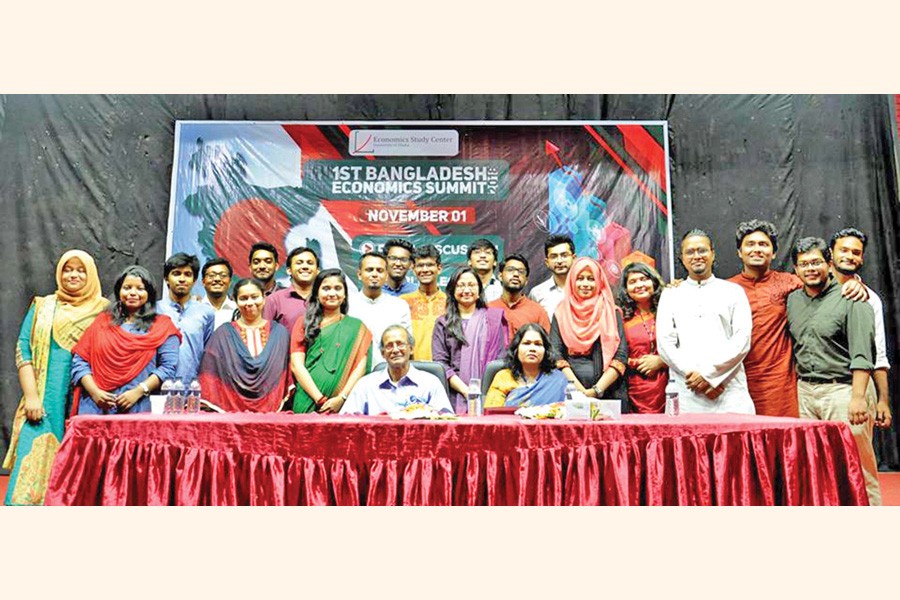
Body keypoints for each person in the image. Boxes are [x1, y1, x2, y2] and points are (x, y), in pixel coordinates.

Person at [726, 220, 867, 417]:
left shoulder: (790, 283)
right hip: (738, 384)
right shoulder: (725, 290)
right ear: (739, 252)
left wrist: (855, 283)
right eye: (750, 244)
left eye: (763, 244)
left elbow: (823, 282)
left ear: (774, 253)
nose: (757, 249)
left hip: (783, 388)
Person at [3, 250, 108, 505]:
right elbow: (23, 349)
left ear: (91, 274)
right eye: (67, 269)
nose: (73, 274)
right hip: (44, 399)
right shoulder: (43, 306)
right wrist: (31, 397)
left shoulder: (104, 310)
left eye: (80, 269)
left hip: (86, 401)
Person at [786, 237, 881, 504]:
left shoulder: (852, 297)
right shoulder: (793, 300)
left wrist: (859, 398)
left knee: (858, 466)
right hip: (805, 391)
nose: (810, 269)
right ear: (795, 270)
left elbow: (863, 353)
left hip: (845, 390)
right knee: (817, 467)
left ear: (829, 263)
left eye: (816, 262)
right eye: (803, 264)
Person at [656, 230, 754, 414]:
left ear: (712, 254)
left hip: (729, 390)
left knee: (736, 442)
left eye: (702, 250)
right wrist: (696, 377)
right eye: (690, 252)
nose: (697, 256)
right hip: (688, 390)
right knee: (687, 442)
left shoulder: (734, 292)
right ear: (682, 258)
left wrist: (711, 376)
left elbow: (742, 340)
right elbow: (665, 344)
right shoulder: (670, 295)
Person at [71, 265, 181, 415]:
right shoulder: (102, 322)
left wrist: (139, 391)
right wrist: (95, 392)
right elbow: (80, 361)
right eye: (127, 287)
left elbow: (168, 368)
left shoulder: (162, 327)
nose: (133, 293)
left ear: (149, 293)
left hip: (139, 407)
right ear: (119, 291)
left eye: (140, 288)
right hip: (96, 408)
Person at [828, 228, 892, 429]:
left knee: (856, 456)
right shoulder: (811, 290)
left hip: (853, 389)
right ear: (831, 253)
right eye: (843, 250)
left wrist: (883, 400)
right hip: (812, 391)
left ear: (862, 259)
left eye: (855, 253)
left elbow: (879, 354)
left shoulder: (869, 299)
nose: (849, 256)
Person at [198, 278, 291, 412]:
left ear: (264, 298)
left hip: (272, 412)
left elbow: (285, 373)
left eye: (255, 297)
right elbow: (209, 374)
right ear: (235, 301)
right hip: (230, 413)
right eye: (243, 298)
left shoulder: (280, 333)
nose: (250, 302)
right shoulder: (223, 334)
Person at [291, 269, 372, 413]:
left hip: (345, 404)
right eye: (326, 288)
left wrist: (342, 398)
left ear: (345, 294)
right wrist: (319, 399)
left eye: (338, 288)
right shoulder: (304, 323)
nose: (332, 293)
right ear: (317, 293)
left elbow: (361, 367)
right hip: (307, 399)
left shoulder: (358, 327)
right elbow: (297, 366)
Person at [550, 257, 628, 404]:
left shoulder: (611, 312)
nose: (585, 284)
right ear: (572, 281)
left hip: (609, 393)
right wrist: (579, 392)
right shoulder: (561, 312)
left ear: (599, 281)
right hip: (568, 393)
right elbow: (555, 355)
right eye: (580, 278)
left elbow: (621, 355)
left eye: (591, 279)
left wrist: (597, 390)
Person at [432, 266, 508, 411]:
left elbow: (500, 361)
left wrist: (484, 393)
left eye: (471, 285)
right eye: (461, 285)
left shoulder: (493, 319)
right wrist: (467, 391)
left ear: (479, 291)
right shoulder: (443, 323)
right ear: (453, 291)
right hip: (453, 397)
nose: (466, 290)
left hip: (490, 395)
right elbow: (441, 364)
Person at [340, 325, 452, 415]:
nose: (395, 350)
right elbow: (346, 421)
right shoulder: (365, 385)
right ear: (383, 353)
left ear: (411, 349)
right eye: (389, 346)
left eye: (400, 344)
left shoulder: (431, 383)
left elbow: (446, 420)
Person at [618, 261, 668, 414]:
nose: (639, 285)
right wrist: (637, 362)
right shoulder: (621, 317)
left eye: (643, 279)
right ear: (626, 290)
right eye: (632, 282)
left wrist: (662, 361)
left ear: (653, 282)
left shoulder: (669, 309)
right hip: (634, 386)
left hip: (669, 384)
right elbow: (614, 355)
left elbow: (685, 346)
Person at [156, 253, 215, 382]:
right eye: (176, 273)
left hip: (192, 389)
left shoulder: (206, 313)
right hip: (157, 388)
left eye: (187, 274)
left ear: (194, 280)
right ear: (166, 278)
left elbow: (206, 352)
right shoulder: (155, 310)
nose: (182, 279)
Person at [348, 252, 412, 368]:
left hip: (391, 374)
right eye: (369, 270)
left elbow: (406, 347)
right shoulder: (346, 305)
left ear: (386, 275)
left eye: (379, 270)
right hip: (352, 375)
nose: (374, 274)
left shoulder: (399, 306)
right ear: (359, 274)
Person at [485, 323, 568, 408]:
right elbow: (491, 414)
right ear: (516, 349)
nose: (532, 349)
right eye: (526, 343)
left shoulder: (558, 379)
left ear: (545, 350)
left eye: (538, 344)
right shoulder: (503, 377)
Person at [401, 244, 447, 361]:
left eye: (430, 265)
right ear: (413, 269)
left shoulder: (450, 302)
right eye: (420, 265)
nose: (425, 270)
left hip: (443, 370)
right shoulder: (402, 302)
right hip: (411, 369)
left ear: (439, 268)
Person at [489, 253, 550, 336]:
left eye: (521, 272)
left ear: (526, 281)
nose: (516, 274)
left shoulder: (538, 312)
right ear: (500, 276)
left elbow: (546, 345)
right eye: (510, 270)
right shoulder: (488, 309)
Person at [263, 246, 319, 334]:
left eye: (310, 263)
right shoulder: (274, 300)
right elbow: (265, 335)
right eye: (299, 263)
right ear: (289, 270)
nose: (305, 266)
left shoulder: (325, 299)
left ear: (317, 271)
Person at [529, 234, 575, 320]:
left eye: (564, 255)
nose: (559, 261)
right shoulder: (537, 293)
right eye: (554, 257)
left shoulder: (584, 288)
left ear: (574, 258)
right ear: (547, 262)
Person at [200, 257, 238, 329]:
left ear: (230, 282)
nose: (217, 279)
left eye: (223, 275)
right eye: (211, 276)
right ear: (203, 282)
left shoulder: (237, 310)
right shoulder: (195, 310)